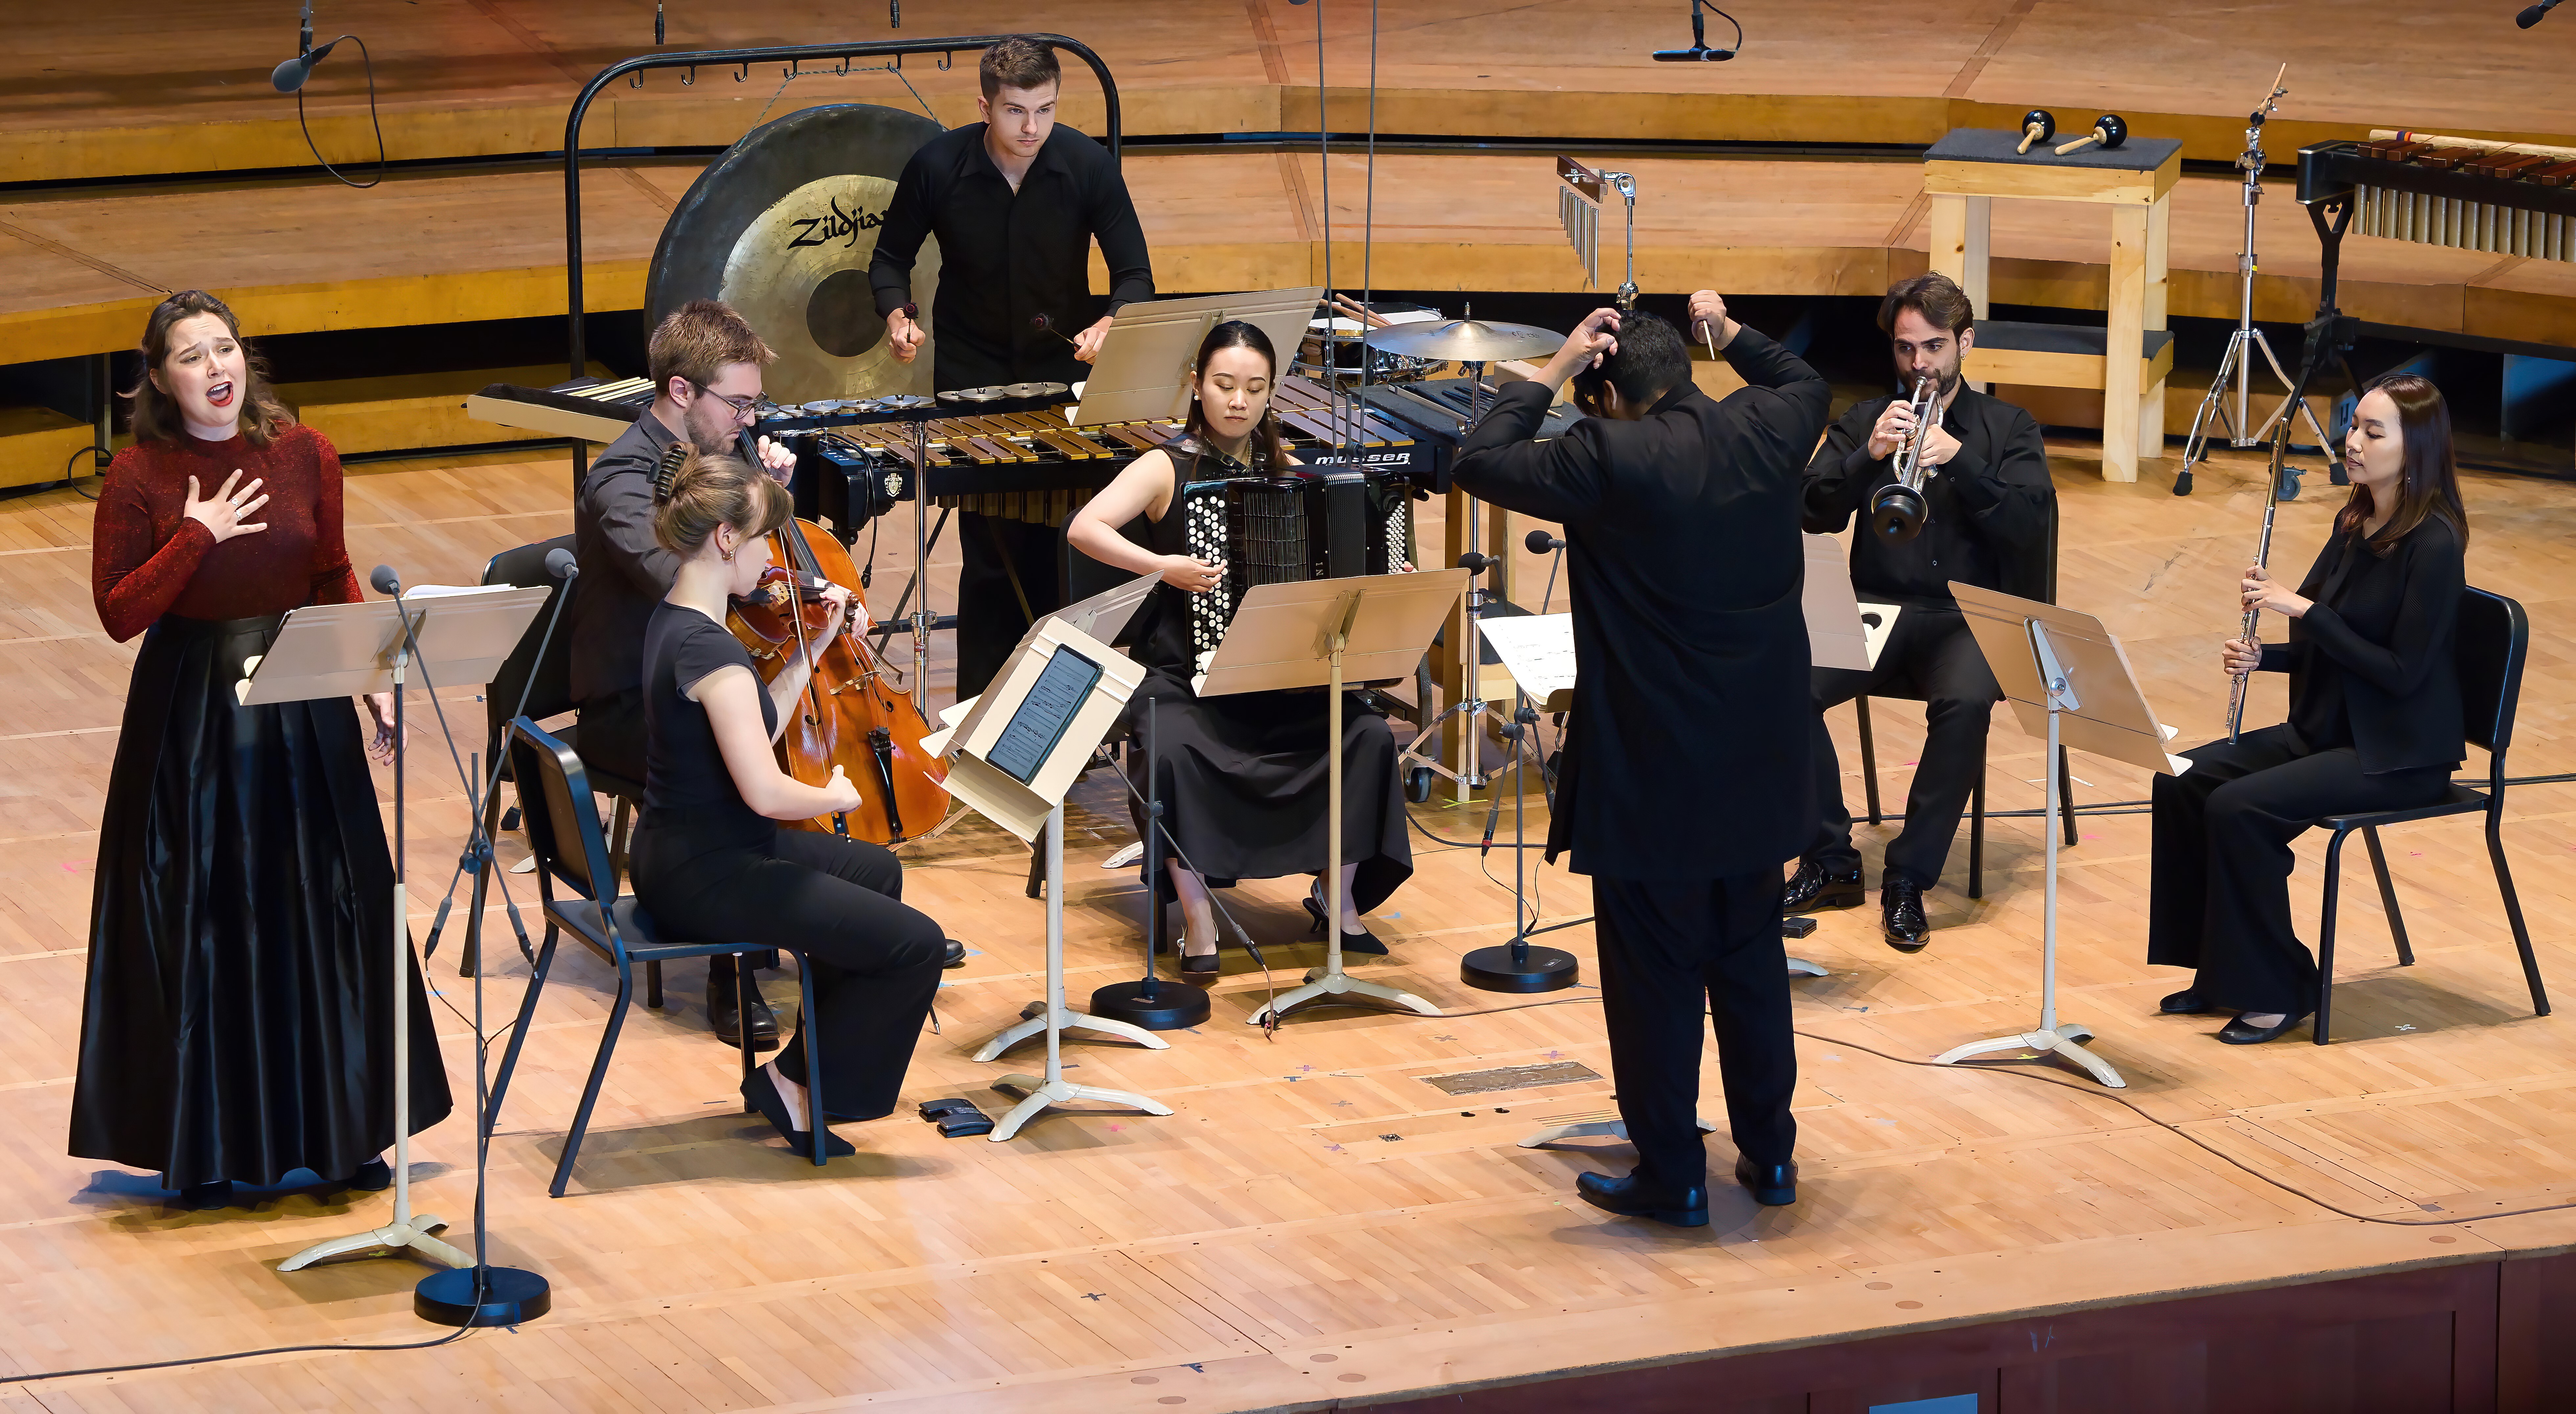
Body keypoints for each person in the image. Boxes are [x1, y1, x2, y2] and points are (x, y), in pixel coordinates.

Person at [1452, 295, 1831, 1223]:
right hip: (1758, 766)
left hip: (1653, 775)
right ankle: (1772, 1160)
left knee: (1655, 984)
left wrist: (1552, 369)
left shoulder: (1609, 455)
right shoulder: (1769, 428)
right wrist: (1728, 329)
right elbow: (1803, 378)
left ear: (1609, 392)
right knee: (1750, 968)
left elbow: (1479, 459)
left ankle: (1674, 1177)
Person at [72, 289, 451, 1210]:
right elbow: (120, 612)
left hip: (302, 697)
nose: (215, 367)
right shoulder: (139, 475)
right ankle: (206, 1144)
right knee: (207, 924)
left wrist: (368, 678)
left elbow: (329, 572)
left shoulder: (305, 454)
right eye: (192, 355)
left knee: (321, 912)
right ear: (161, 380)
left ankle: (341, 1131)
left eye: (226, 348)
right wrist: (198, 536)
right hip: (194, 718)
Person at [1064, 322, 1411, 970]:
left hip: (1278, 676)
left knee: (1364, 735)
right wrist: (1162, 564)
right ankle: (1198, 920)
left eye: (1254, 389)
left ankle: (1336, 903)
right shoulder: (1162, 465)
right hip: (1185, 677)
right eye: (1223, 385)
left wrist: (1385, 577)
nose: (1237, 401)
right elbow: (1086, 529)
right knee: (1169, 747)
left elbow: (1330, 574)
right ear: (1196, 385)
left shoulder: (1289, 472)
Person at [631, 452, 949, 1149]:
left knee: (877, 872)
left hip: (681, 849)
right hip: (709, 870)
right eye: (763, 537)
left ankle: (808, 1070)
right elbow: (765, 790)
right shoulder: (709, 651)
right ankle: (799, 1082)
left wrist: (816, 647)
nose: (773, 557)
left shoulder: (676, 620)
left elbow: (757, 724)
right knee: (915, 945)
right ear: (725, 538)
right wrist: (830, 792)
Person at [2149, 373, 2468, 1044]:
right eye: (2354, 426)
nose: (2351, 442)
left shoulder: (2434, 544)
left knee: (2238, 809)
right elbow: (2335, 642)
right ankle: (2222, 971)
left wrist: (2301, 609)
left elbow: (2400, 673)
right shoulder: (2354, 519)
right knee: (2180, 778)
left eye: (2371, 432)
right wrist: (2267, 658)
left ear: (2416, 449)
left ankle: (2281, 986)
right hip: (2331, 729)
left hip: (2398, 752)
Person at [870, 35, 1155, 700]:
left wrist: (1112, 321)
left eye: (1046, 110)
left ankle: (1063, 717)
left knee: (1070, 550)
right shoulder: (937, 167)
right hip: (972, 379)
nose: (1032, 129)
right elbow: (889, 260)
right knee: (991, 556)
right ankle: (982, 710)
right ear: (984, 105)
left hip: (1063, 374)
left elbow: (1134, 272)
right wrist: (896, 316)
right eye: (1016, 112)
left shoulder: (1085, 165)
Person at [570, 299, 810, 1051]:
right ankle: (731, 971)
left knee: (784, 724)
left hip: (701, 679)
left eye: (753, 402)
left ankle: (836, 912)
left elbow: (763, 576)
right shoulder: (619, 476)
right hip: (631, 701)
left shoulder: (727, 460)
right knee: (733, 764)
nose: (748, 417)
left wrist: (795, 550)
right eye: (737, 402)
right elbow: (674, 573)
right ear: (681, 392)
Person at [1789, 273, 2053, 952]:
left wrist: (1960, 463)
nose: (1919, 366)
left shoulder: (2006, 428)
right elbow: (1809, 508)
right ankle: (1830, 858)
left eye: (1933, 347)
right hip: (1874, 610)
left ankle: (1908, 877)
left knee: (1964, 706)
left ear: (1964, 341)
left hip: (1967, 617)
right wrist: (1865, 456)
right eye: (1905, 349)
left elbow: (2028, 526)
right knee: (1783, 685)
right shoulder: (1867, 417)